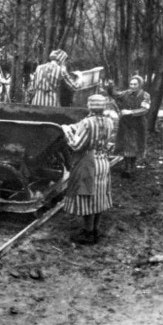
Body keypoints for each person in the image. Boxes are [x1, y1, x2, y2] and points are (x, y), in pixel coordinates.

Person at [61, 94, 114, 245]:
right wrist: (74, 127)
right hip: (103, 161)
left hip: (89, 162)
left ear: (90, 106)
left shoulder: (87, 123)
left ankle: (88, 233)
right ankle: (95, 230)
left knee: (88, 196)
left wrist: (67, 132)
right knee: (99, 196)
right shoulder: (109, 121)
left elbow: (77, 145)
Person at [108, 75, 151, 177]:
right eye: (131, 84)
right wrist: (110, 86)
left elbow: (145, 109)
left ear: (140, 85)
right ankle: (127, 167)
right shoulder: (125, 93)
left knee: (135, 145)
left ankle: (132, 166)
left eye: (135, 84)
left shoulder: (145, 96)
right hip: (126, 124)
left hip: (138, 124)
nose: (133, 86)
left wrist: (130, 112)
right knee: (126, 145)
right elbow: (114, 95)